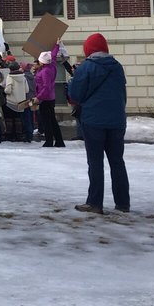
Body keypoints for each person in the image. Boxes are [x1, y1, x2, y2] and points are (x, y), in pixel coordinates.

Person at [68, 33, 130, 215]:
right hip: (117, 120)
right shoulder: (117, 67)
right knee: (117, 161)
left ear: (88, 49)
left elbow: (75, 95)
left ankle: (95, 202)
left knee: (95, 162)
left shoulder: (87, 67)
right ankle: (123, 203)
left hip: (93, 120)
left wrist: (75, 77)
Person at [33, 43, 65, 148]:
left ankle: (49, 141)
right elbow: (54, 55)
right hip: (50, 98)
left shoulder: (45, 71)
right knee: (52, 120)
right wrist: (57, 45)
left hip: (45, 99)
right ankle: (59, 141)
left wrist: (39, 97)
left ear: (42, 61)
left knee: (47, 121)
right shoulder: (51, 65)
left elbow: (46, 87)